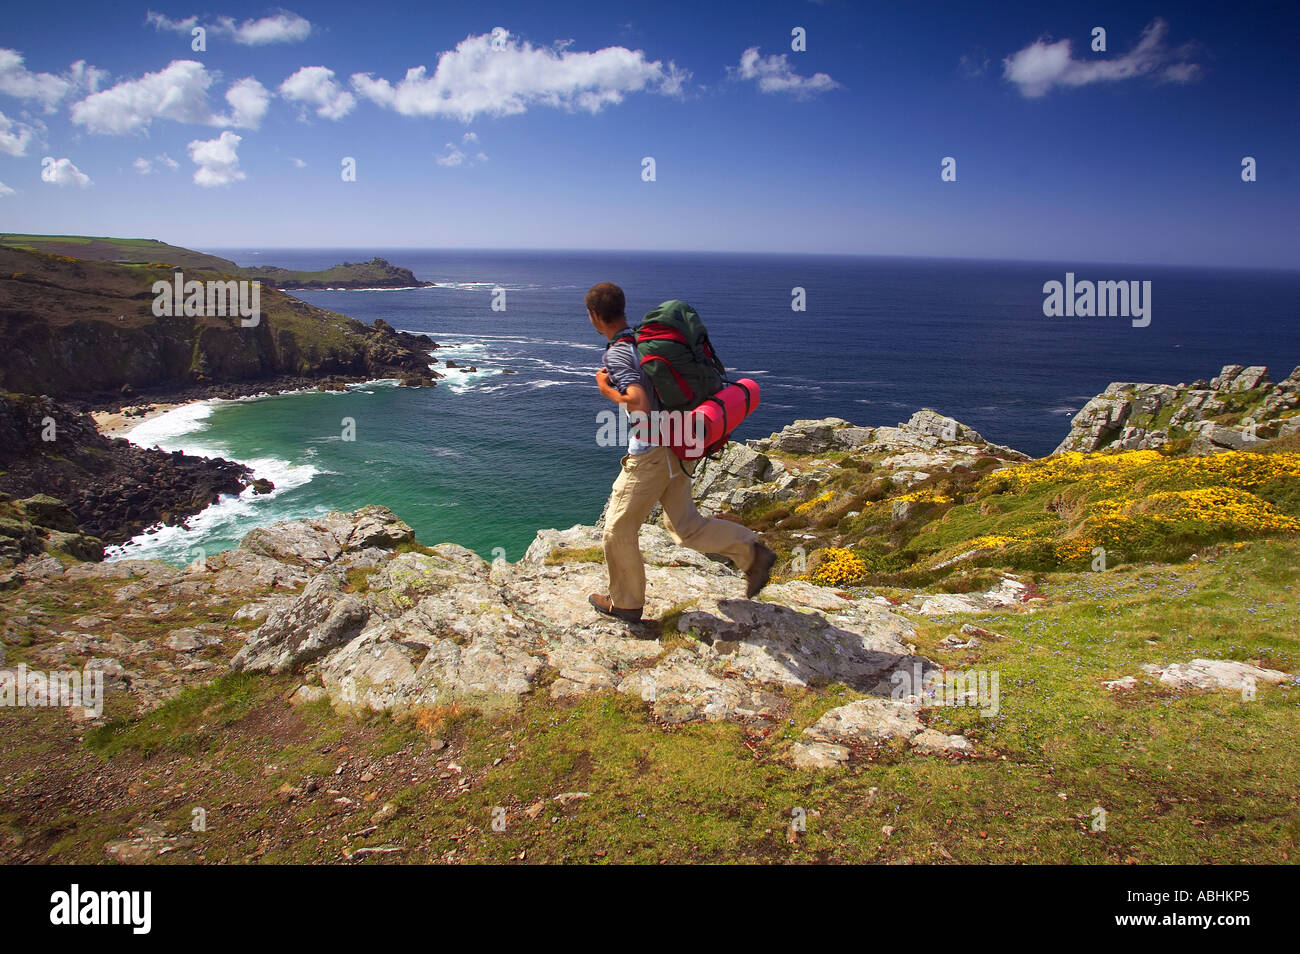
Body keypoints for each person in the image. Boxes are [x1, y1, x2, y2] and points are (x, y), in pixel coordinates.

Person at [585, 281, 776, 625]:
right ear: (623, 309)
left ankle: (626, 603)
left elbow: (639, 404)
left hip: (652, 452)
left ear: (594, 316)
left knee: (617, 528)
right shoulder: (641, 341)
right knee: (685, 526)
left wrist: (607, 391)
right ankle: (752, 553)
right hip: (681, 443)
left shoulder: (617, 352)